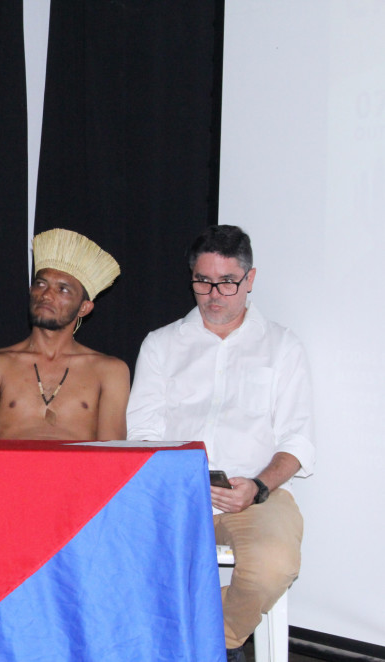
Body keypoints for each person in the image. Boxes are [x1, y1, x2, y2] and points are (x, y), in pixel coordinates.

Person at [126, 225, 314, 662]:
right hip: (173, 490)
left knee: (273, 566)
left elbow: (298, 440)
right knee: (115, 556)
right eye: (203, 281)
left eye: (227, 282)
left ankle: (215, 644)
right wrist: (176, 482)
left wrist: (258, 486)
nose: (214, 294)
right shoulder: (161, 344)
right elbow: (142, 435)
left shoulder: (282, 346)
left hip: (254, 494)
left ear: (250, 280)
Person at [0, 228, 129, 440]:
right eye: (41, 284)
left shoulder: (110, 371)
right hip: (9, 472)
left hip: (80, 473)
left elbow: (112, 459)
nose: (46, 295)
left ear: (84, 308)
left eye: (63, 289)